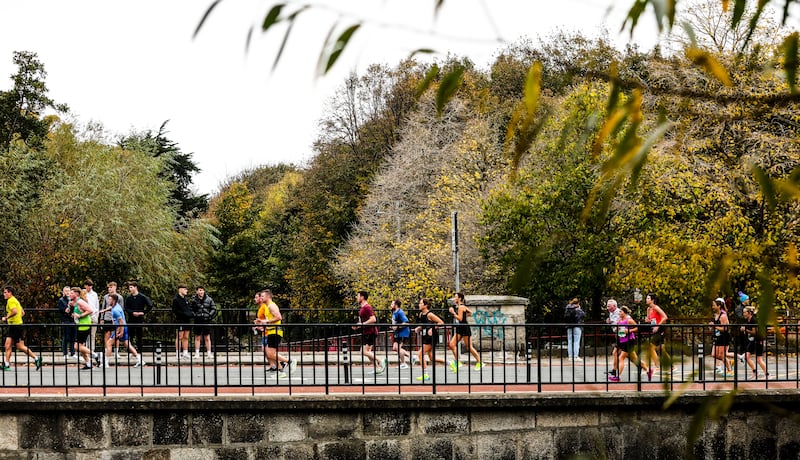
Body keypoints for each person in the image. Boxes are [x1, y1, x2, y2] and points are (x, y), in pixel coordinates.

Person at [0, 286, 41, 371]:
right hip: (15, 326)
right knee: (7, 345)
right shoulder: (15, 300)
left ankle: (36, 358)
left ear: (10, 293)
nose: (4, 294)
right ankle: (6, 364)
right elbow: (22, 312)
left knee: (20, 346)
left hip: (16, 326)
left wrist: (6, 318)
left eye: (5, 292)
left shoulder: (10, 300)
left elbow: (15, 311)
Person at [255, 290, 294, 376]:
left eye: (262, 296)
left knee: (270, 353)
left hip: (275, 331)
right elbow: (270, 320)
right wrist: (262, 322)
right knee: (269, 353)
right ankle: (281, 371)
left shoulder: (271, 306)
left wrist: (267, 321)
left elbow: (279, 317)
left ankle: (290, 361)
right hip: (271, 331)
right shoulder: (268, 306)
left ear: (268, 296)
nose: (261, 298)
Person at [609, 306, 650, 381]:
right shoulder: (618, 321)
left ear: (624, 313)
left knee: (621, 358)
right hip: (622, 341)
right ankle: (648, 370)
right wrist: (617, 332)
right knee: (635, 359)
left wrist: (629, 331)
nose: (619, 313)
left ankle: (618, 376)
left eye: (620, 312)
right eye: (619, 312)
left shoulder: (629, 320)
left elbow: (637, 328)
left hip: (630, 340)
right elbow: (618, 330)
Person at [447, 292, 484, 372]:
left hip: (464, 328)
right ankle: (458, 362)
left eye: (456, 297)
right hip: (460, 328)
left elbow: (460, 319)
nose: (454, 299)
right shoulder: (461, 307)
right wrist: (465, 316)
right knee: (452, 344)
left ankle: (479, 362)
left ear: (460, 298)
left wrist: (453, 313)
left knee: (469, 347)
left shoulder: (461, 307)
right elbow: (470, 312)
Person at [104, 292, 143, 368]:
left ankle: (105, 363)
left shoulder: (115, 310)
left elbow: (121, 321)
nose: (108, 301)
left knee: (108, 343)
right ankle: (140, 360)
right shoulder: (116, 306)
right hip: (123, 327)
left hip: (120, 327)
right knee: (127, 344)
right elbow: (110, 308)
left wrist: (120, 331)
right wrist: (103, 311)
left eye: (110, 300)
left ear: (114, 300)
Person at [352, 291, 384, 374]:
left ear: (362, 297)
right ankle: (378, 369)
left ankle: (381, 360)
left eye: (358, 296)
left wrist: (362, 324)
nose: (357, 298)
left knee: (363, 351)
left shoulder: (367, 307)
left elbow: (373, 319)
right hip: (367, 331)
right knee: (368, 352)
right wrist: (358, 326)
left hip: (370, 332)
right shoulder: (363, 308)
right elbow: (365, 321)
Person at [414, 297, 446, 381]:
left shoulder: (430, 314)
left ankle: (425, 374)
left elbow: (441, 322)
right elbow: (423, 325)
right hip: (425, 336)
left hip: (431, 337)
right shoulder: (421, 314)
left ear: (425, 305)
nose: (419, 305)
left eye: (421, 303)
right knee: (431, 358)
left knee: (420, 354)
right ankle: (450, 363)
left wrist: (433, 328)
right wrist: (419, 328)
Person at [124, 281, 153, 354]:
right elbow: (126, 308)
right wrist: (132, 312)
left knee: (139, 335)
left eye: (131, 287)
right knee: (130, 335)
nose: (130, 289)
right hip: (131, 318)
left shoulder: (142, 297)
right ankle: (130, 351)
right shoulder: (128, 298)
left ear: (135, 287)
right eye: (129, 287)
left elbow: (150, 305)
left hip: (139, 319)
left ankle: (139, 350)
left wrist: (143, 312)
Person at [69, 286, 94, 370]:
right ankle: (88, 364)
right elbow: (77, 312)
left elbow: (90, 310)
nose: (69, 294)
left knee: (77, 347)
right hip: (80, 325)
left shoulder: (80, 302)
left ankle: (96, 355)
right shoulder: (75, 302)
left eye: (71, 293)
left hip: (84, 325)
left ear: (76, 294)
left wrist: (80, 316)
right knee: (81, 347)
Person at [741, 306, 769, 380]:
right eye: (743, 312)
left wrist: (745, 330)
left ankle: (767, 374)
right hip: (753, 340)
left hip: (758, 340)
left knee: (759, 359)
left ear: (749, 313)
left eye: (745, 312)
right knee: (746, 356)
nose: (743, 314)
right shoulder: (748, 320)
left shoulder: (754, 320)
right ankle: (755, 372)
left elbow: (754, 332)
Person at [644, 293, 669, 373]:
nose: (646, 300)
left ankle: (657, 365)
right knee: (661, 349)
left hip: (660, 329)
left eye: (648, 298)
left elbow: (665, 317)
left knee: (650, 346)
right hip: (654, 329)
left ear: (652, 300)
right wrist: (647, 320)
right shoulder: (648, 309)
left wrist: (658, 325)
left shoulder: (656, 308)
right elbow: (649, 320)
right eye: (646, 298)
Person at [190, 286, 217, 359]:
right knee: (197, 337)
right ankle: (197, 353)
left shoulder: (209, 299)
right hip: (198, 320)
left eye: (202, 290)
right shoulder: (194, 300)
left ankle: (209, 353)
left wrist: (210, 315)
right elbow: (191, 309)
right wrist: (194, 315)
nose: (201, 292)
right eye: (199, 290)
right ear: (197, 291)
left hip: (206, 320)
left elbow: (214, 308)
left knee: (207, 337)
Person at [99, 282, 122, 362]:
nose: (109, 289)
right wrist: (101, 318)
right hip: (107, 317)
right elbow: (103, 307)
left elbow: (121, 308)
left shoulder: (119, 297)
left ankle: (116, 351)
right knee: (107, 334)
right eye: (108, 287)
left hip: (115, 318)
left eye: (111, 287)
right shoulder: (105, 297)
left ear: (115, 287)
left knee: (116, 335)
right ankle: (107, 350)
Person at [709, 298, 733, 378]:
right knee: (714, 354)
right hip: (717, 336)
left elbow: (724, 329)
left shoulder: (723, 316)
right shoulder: (716, 315)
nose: (713, 307)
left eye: (714, 305)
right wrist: (711, 327)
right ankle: (728, 362)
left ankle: (730, 370)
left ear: (719, 306)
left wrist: (715, 326)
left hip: (724, 337)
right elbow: (716, 326)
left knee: (722, 355)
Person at [171, 284, 193, 360]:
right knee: (179, 336)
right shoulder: (176, 299)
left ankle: (185, 352)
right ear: (180, 289)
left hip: (187, 320)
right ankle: (177, 353)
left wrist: (190, 314)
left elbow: (188, 308)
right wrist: (184, 314)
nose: (186, 291)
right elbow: (175, 310)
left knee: (186, 336)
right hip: (180, 320)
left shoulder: (185, 299)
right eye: (185, 289)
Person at [390, 299, 413, 369]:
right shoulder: (394, 312)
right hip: (397, 333)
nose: (390, 305)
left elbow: (406, 322)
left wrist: (397, 327)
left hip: (403, 332)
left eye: (392, 304)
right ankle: (411, 357)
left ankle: (404, 363)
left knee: (398, 348)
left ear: (396, 305)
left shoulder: (400, 312)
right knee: (395, 348)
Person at [55, 286, 76, 359]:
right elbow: (61, 310)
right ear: (63, 292)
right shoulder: (61, 300)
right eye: (66, 291)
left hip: (72, 320)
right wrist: (66, 310)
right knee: (66, 337)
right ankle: (65, 353)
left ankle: (73, 353)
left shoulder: (72, 299)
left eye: (68, 291)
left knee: (73, 337)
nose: (67, 292)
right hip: (65, 320)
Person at [604, 299, 621, 378]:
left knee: (617, 353)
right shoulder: (611, 313)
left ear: (614, 306)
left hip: (622, 334)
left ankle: (643, 367)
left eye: (609, 306)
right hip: (617, 334)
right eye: (607, 306)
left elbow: (620, 322)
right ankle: (614, 371)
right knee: (616, 353)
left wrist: (611, 322)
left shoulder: (619, 312)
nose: (607, 308)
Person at [83, 279, 100, 356]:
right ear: (85, 286)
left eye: (90, 286)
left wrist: (97, 314)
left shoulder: (94, 294)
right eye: (88, 286)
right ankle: (86, 351)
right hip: (86, 315)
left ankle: (92, 351)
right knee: (85, 334)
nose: (89, 287)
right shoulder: (83, 294)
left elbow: (97, 305)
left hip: (93, 315)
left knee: (92, 335)